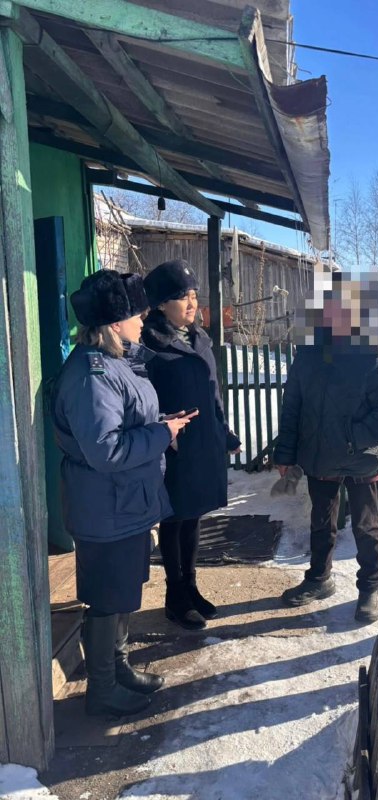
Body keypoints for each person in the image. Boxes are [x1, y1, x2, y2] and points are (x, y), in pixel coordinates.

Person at [53, 270, 195, 716]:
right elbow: (106, 450)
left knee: (122, 594)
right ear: (115, 322)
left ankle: (118, 669)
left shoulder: (113, 362)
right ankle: (102, 689)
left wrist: (160, 425)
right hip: (106, 506)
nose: (143, 320)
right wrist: (160, 434)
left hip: (123, 503)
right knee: (106, 598)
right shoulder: (91, 374)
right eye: (138, 313)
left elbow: (122, 424)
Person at [274, 271, 378, 623]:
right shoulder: (308, 354)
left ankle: (371, 587)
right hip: (319, 458)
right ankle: (319, 579)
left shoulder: (372, 353)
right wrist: (285, 453)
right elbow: (292, 406)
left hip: (361, 459)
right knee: (320, 523)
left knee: (366, 528)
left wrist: (353, 438)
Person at [142, 260, 241, 630]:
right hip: (173, 447)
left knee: (193, 516)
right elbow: (144, 401)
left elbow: (213, 394)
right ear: (161, 304)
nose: (192, 302)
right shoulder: (150, 344)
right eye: (183, 296)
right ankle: (175, 596)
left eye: (194, 295)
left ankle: (191, 587)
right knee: (174, 519)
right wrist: (162, 431)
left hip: (203, 444)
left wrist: (224, 431)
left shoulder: (199, 338)